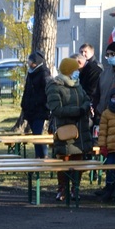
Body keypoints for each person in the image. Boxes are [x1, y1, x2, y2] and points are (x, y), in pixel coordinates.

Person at [46, 57, 92, 202]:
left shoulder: (78, 85)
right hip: (65, 131)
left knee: (78, 161)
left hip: (81, 130)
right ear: (68, 71)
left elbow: (86, 98)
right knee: (64, 161)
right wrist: (78, 110)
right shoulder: (55, 86)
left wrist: (85, 107)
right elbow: (57, 109)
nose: (77, 73)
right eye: (75, 70)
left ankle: (75, 188)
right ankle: (62, 188)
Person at [97, 80, 115, 202]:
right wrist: (102, 146)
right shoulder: (107, 113)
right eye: (114, 97)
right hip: (112, 148)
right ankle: (110, 188)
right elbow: (103, 131)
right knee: (110, 169)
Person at [20, 52, 52, 158]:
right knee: (35, 134)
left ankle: (44, 155)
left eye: (30, 60)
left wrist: (42, 103)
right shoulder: (30, 73)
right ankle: (38, 155)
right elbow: (27, 90)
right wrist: (24, 104)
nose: (28, 62)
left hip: (40, 109)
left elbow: (48, 90)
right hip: (30, 109)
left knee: (38, 134)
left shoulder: (44, 73)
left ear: (35, 62)